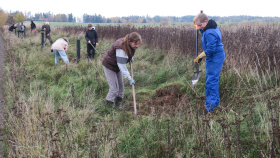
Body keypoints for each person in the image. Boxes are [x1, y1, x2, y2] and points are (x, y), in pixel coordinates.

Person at [193, 11, 225, 115]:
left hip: (215, 57)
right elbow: (204, 29)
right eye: (197, 26)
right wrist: (199, 27)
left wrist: (200, 56)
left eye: (200, 25)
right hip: (214, 56)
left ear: (206, 21)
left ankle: (211, 106)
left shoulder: (210, 32)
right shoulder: (210, 26)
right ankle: (212, 101)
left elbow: (211, 49)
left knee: (211, 80)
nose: (199, 27)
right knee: (210, 79)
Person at [102, 32, 142, 107]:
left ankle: (118, 104)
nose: (137, 46)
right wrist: (129, 78)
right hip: (110, 66)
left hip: (117, 66)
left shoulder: (129, 43)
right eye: (135, 44)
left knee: (121, 87)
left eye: (138, 44)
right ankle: (108, 106)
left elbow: (127, 52)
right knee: (114, 88)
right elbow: (121, 65)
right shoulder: (121, 47)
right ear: (130, 41)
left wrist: (130, 57)